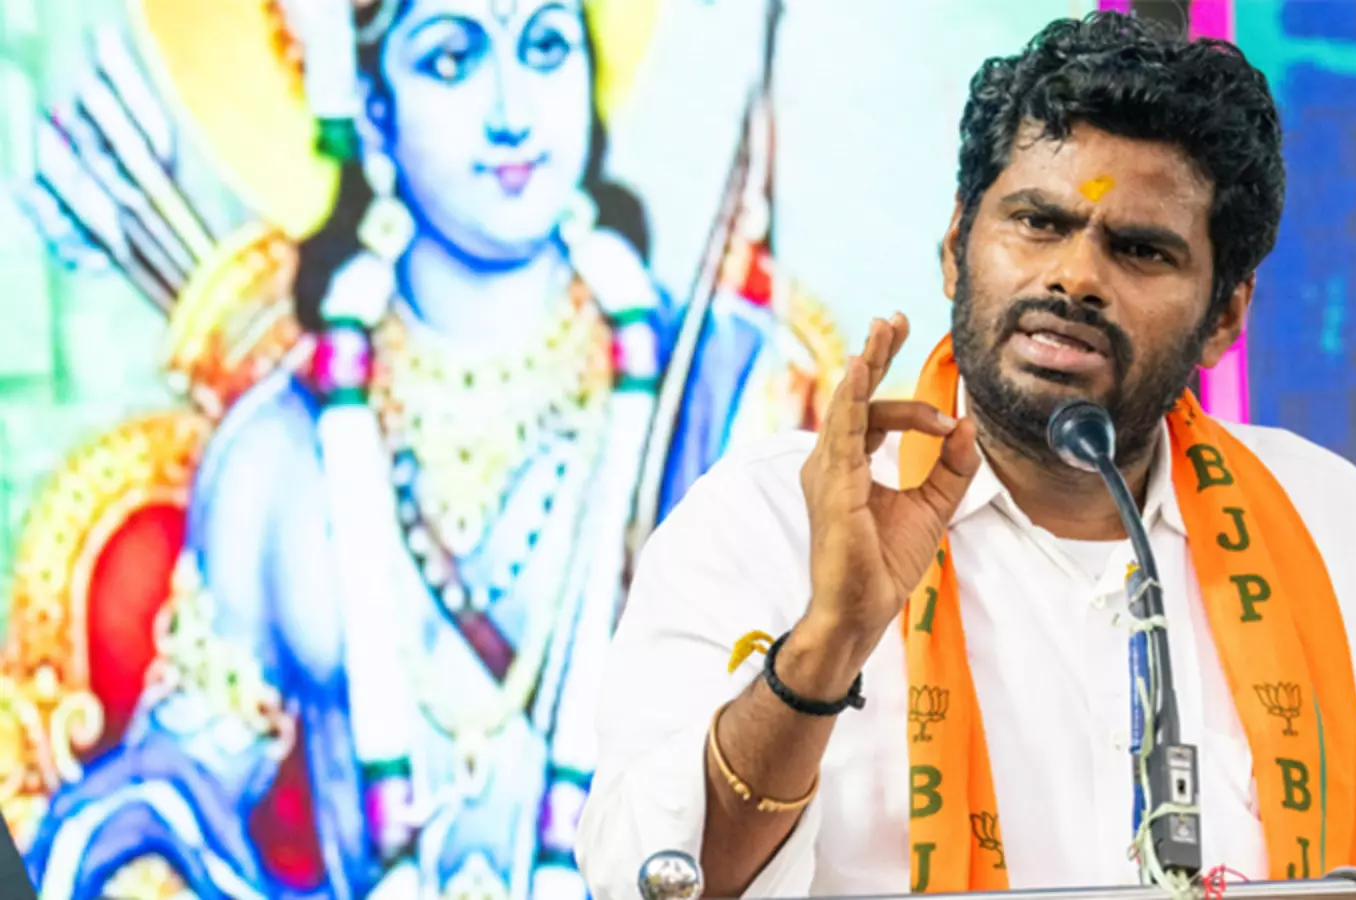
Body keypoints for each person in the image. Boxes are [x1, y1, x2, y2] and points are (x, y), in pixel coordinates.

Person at [576, 12, 1356, 898]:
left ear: (1225, 315)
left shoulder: (1344, 542)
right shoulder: (767, 524)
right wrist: (826, 645)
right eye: (1038, 223)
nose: (1075, 277)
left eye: (1140, 250)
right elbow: (657, 883)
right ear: (955, 247)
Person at [14, 0, 838, 897]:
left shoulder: (718, 399)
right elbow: (183, 780)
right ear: (372, 110)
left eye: (546, 44)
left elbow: (826, 755)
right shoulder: (279, 455)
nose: (512, 111)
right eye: (452, 58)